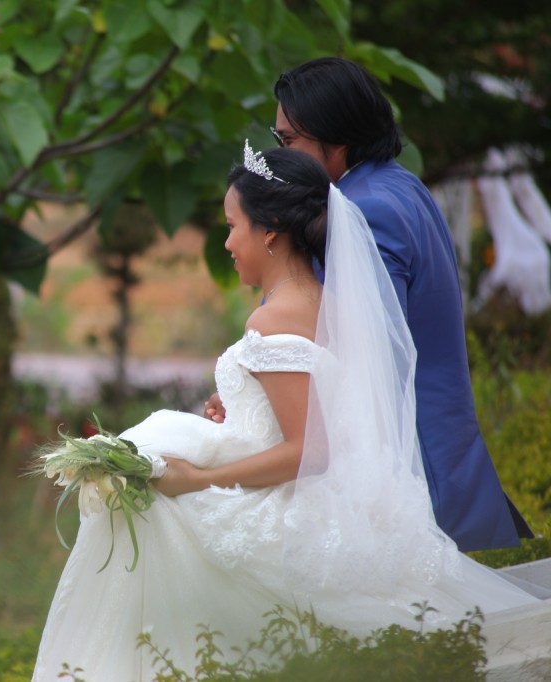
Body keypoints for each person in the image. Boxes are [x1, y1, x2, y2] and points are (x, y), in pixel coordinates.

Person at [32, 146, 538, 682]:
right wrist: (245, 408)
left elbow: (309, 451)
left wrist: (200, 479)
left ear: (269, 231)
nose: (226, 242)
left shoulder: (274, 320)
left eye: (232, 226)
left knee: (146, 514)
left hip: (292, 498)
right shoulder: (330, 303)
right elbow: (323, 413)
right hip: (317, 490)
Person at [206, 57, 531, 552]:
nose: (280, 156)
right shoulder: (399, 185)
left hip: (414, 466)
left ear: (337, 142)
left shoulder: (365, 211)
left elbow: (365, 357)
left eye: (289, 141)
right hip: (447, 450)